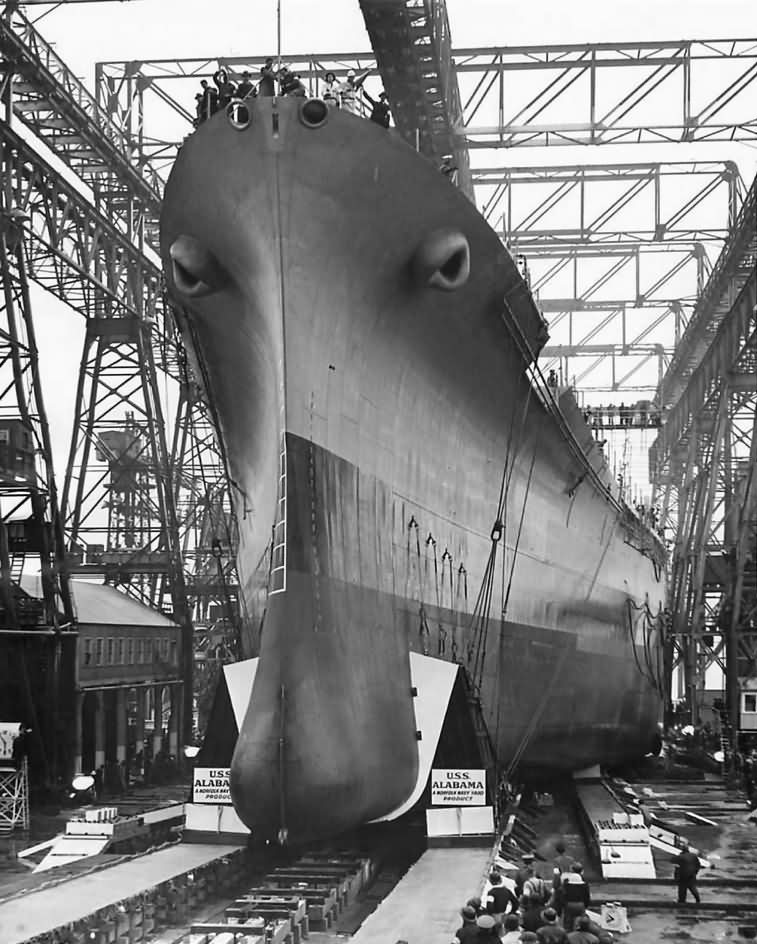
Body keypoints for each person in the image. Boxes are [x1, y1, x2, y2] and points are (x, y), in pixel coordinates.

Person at [561, 863, 590, 930]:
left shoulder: (566, 882)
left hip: (569, 904)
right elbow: (586, 896)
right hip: (580, 904)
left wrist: (564, 904)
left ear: (572, 870)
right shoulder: (584, 883)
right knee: (581, 923)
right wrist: (585, 905)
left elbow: (563, 894)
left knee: (568, 924)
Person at [673, 838, 701, 904]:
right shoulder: (693, 856)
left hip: (682, 876)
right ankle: (698, 901)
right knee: (693, 889)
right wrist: (695, 873)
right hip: (691, 876)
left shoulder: (680, 856)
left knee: (682, 891)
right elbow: (698, 865)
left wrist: (676, 876)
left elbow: (674, 863)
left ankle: (682, 902)